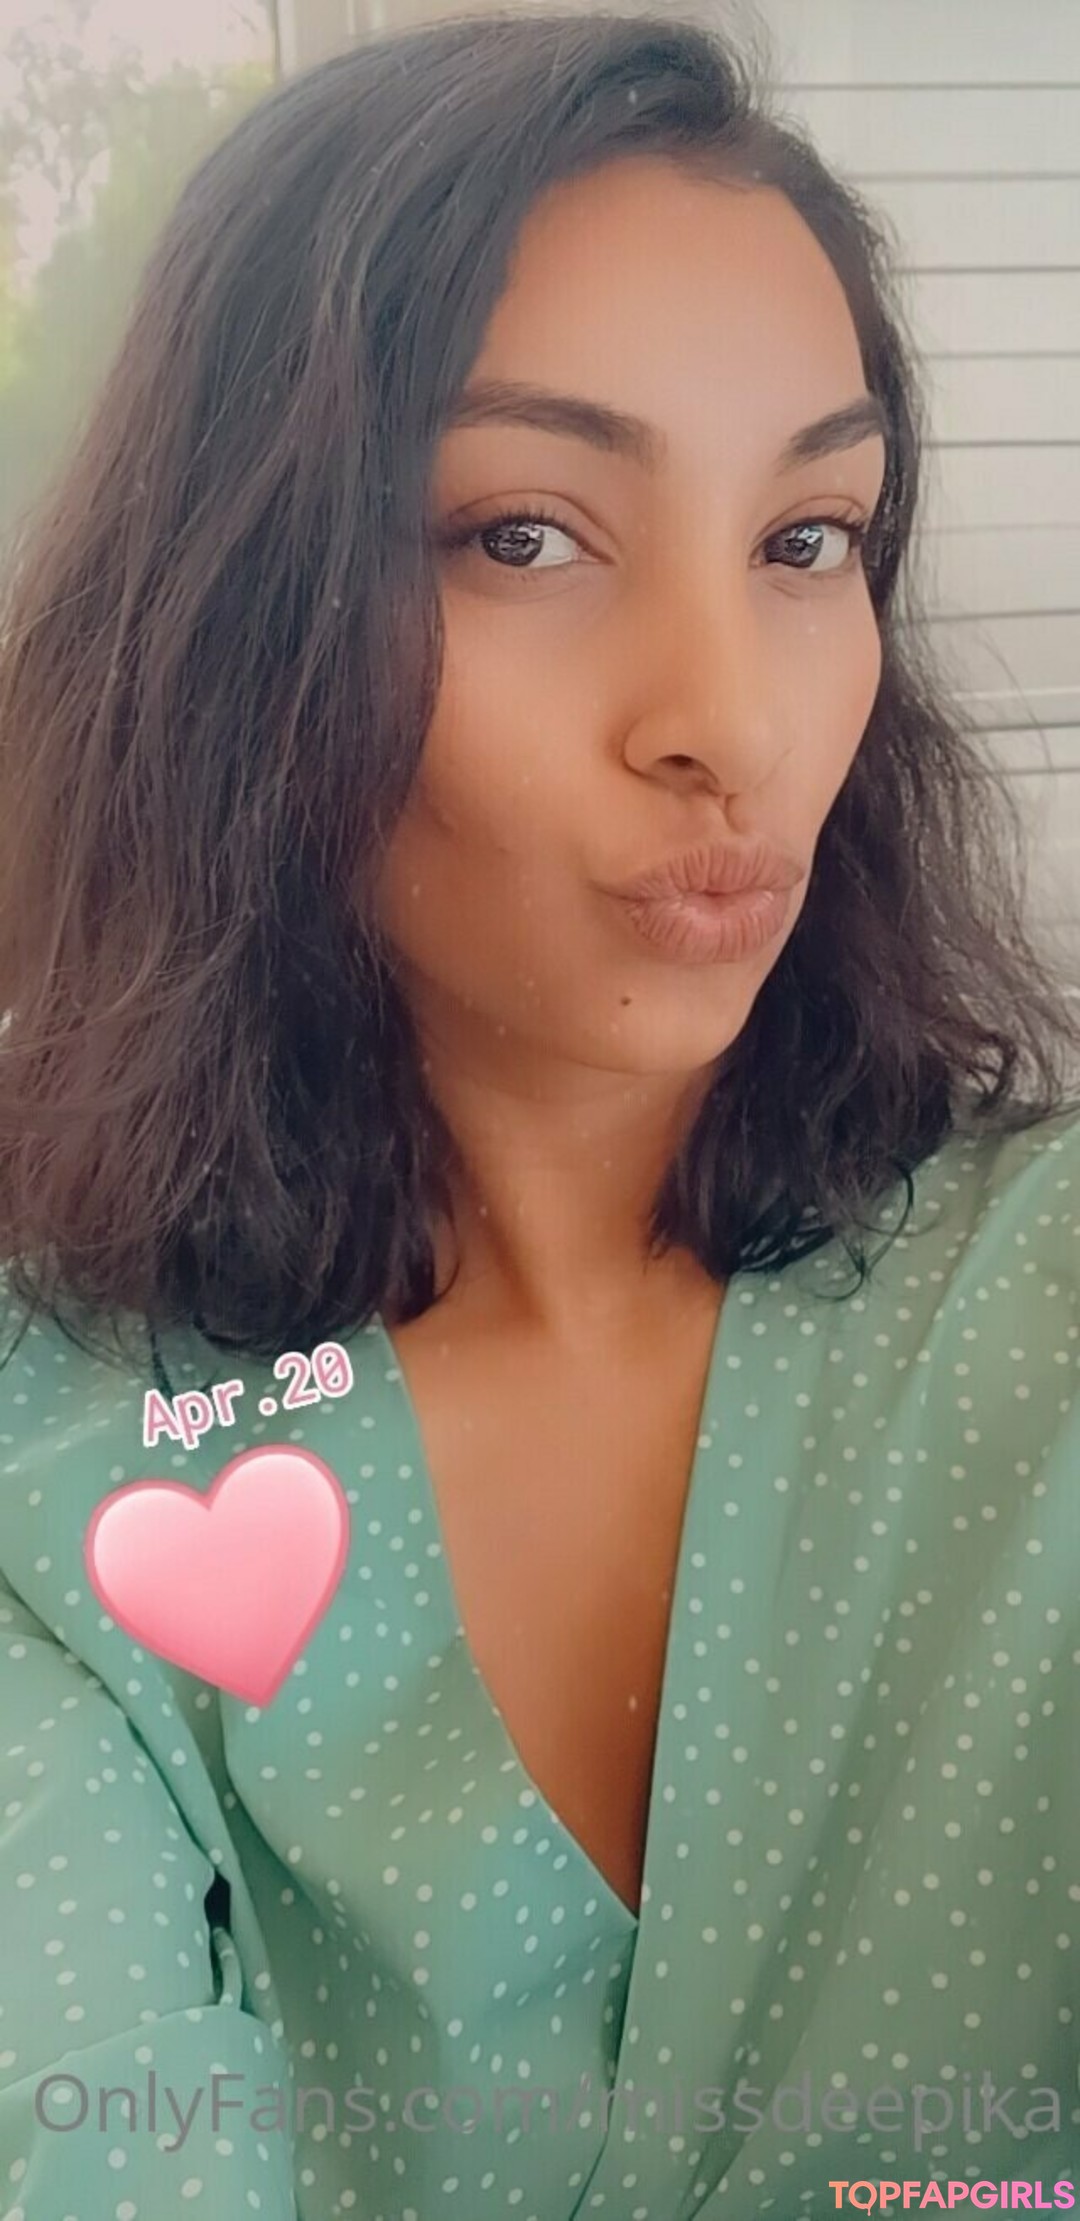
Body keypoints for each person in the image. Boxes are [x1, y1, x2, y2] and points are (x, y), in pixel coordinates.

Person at [1, 8, 1078, 2213]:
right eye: (525, 535)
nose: (729, 723)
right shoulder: (64, 1466)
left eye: (810, 537)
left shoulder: (1042, 1317)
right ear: (241, 618)